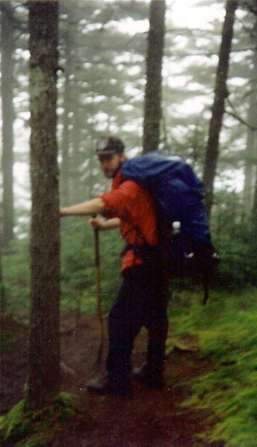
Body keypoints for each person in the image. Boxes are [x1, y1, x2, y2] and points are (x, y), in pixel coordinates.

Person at [60, 136, 169, 395]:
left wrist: (63, 211)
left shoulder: (130, 185)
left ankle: (117, 380)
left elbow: (104, 203)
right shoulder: (137, 184)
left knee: (119, 321)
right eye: (100, 159)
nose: (104, 164)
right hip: (159, 261)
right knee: (155, 320)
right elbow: (133, 218)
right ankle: (154, 373)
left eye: (108, 158)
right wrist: (104, 225)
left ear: (121, 156)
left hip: (143, 264)